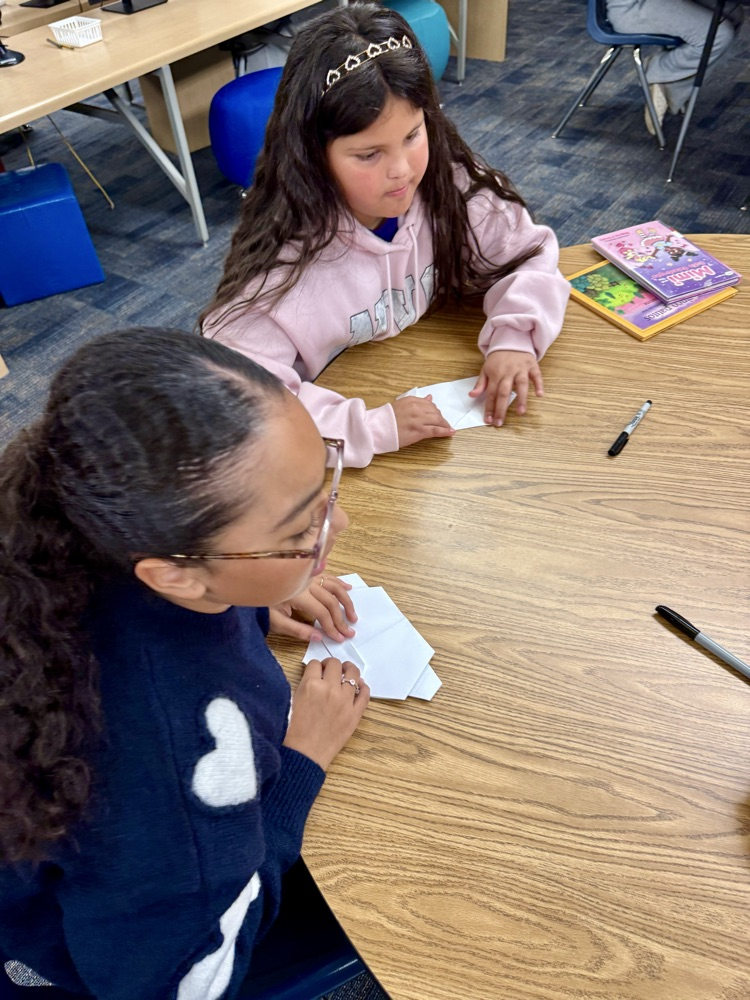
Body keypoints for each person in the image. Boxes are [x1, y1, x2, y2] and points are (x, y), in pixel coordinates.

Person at [0, 328, 369, 999]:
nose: (337, 525)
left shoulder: (62, 520)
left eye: (325, 482)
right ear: (177, 578)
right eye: (298, 533)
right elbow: (187, 984)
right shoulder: (173, 769)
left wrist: (261, 595)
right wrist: (302, 761)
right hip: (134, 953)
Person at [201, 2, 570, 469]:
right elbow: (238, 397)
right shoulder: (285, 257)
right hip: (341, 465)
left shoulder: (447, 181)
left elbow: (529, 253)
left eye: (413, 136)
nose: (401, 172)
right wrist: (370, 428)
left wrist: (515, 337)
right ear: (313, 154)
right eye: (368, 154)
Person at [605, 0, 744, 135]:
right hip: (632, 8)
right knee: (719, 34)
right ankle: (659, 71)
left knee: (732, 13)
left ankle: (666, 85)